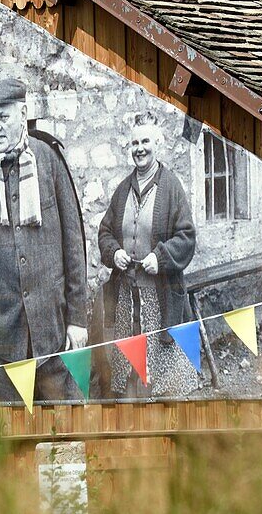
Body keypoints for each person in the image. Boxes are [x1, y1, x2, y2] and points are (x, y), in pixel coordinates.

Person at [0, 78, 88, 403]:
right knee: (9, 441)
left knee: (64, 432)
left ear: (23, 113)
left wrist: (77, 319)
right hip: (0, 336)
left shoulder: (50, 163)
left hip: (52, 333)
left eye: (4, 117)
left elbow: (73, 245)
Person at [98, 115, 199, 398]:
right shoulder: (122, 190)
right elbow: (105, 232)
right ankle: (131, 416)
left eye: (145, 142)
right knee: (128, 362)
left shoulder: (171, 188)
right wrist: (114, 252)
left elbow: (187, 237)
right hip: (126, 298)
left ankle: (161, 419)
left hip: (159, 295)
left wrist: (161, 257)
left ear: (158, 144)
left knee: (159, 372)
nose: (139, 148)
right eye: (134, 143)